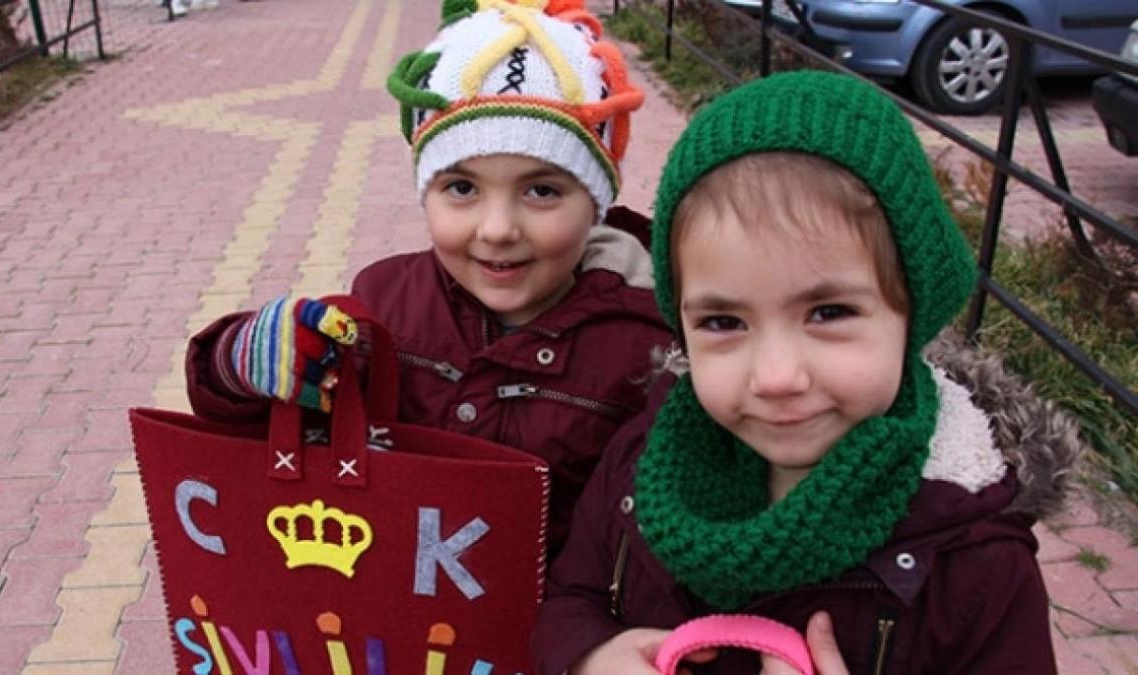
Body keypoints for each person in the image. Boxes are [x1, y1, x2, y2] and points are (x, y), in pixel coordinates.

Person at [532, 70, 1078, 674]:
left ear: (910, 312)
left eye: (828, 313)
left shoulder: (975, 559)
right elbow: (570, 596)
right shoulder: (639, 461)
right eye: (723, 322)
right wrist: (588, 655)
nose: (776, 377)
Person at [184, 0, 673, 554]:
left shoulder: (648, 349)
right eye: (462, 188)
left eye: (542, 191)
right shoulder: (384, 305)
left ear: (596, 204)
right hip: (397, 602)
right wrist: (240, 358)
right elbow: (255, 419)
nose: (497, 229)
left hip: (558, 610)